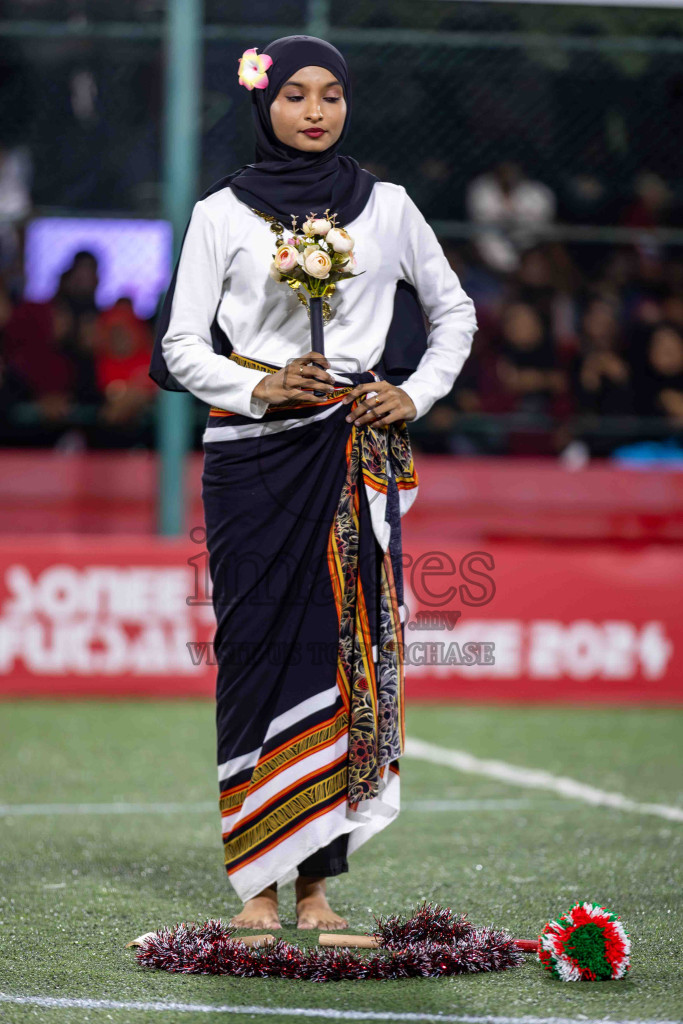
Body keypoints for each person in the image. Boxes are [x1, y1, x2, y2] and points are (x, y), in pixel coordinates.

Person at [151, 35, 477, 931]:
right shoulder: (220, 213)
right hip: (252, 457)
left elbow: (453, 311)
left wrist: (409, 392)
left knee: (346, 653)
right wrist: (257, 384)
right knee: (255, 650)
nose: (315, 112)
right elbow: (181, 346)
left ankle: (316, 890)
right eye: (295, 94)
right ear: (266, 106)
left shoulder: (390, 207)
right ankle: (255, 883)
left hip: (350, 453)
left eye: (331, 94)